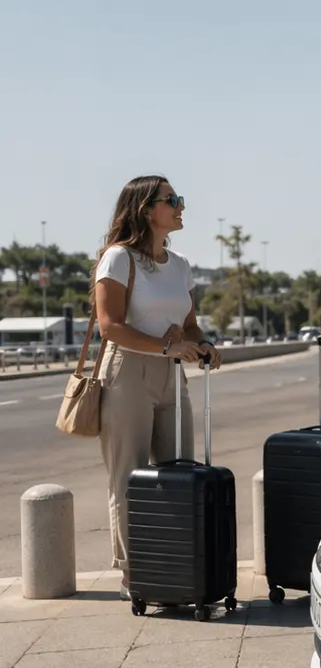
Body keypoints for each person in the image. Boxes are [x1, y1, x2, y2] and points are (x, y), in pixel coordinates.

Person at [93, 176, 221, 597]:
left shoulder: (180, 264)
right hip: (128, 372)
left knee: (177, 470)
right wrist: (166, 347)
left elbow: (188, 325)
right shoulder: (119, 258)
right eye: (173, 200)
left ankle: (175, 565)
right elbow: (110, 327)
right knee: (128, 477)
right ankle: (138, 575)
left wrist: (202, 344)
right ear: (148, 209)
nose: (181, 205)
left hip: (172, 374)